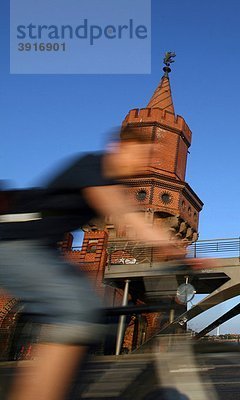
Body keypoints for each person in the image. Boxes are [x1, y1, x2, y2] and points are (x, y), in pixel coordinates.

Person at [0, 129, 183, 400]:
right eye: (140, 154)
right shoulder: (91, 166)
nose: (143, 161)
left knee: (89, 310)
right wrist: (169, 246)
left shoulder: (111, 183)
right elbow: (123, 214)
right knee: (75, 307)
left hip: (41, 252)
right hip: (14, 244)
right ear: (119, 148)